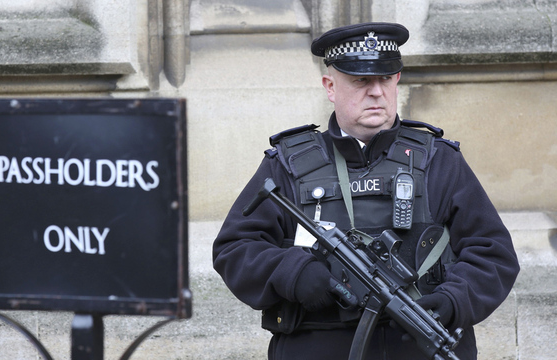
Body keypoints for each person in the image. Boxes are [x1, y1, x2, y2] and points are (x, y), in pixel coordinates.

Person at [212, 22, 519, 359]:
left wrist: (452, 300)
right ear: (330, 86)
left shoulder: (438, 160)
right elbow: (235, 248)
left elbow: (493, 252)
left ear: (397, 80)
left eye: (385, 79)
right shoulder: (288, 164)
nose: (376, 92)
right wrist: (292, 272)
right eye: (361, 80)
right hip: (318, 344)